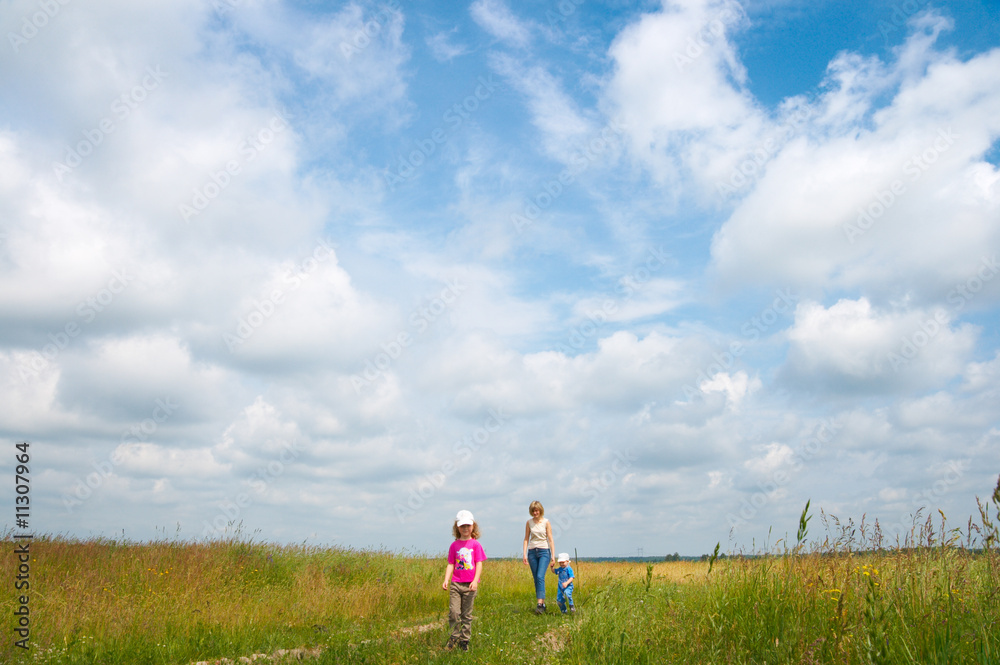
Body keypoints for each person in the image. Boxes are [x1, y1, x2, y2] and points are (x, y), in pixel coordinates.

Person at [442, 509, 486, 652]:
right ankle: (454, 636)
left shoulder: (475, 545)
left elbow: (479, 563)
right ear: (457, 528)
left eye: (468, 525)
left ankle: (464, 640)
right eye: (462, 526)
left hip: (470, 585)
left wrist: (475, 580)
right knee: (454, 612)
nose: (465, 529)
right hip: (456, 583)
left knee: (466, 614)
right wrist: (446, 579)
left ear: (473, 526)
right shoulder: (454, 545)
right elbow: (451, 563)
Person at [521, 500, 555, 614]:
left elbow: (550, 539)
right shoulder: (529, 522)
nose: (535, 513)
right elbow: (526, 538)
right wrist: (524, 554)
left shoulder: (546, 522)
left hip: (544, 551)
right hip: (532, 551)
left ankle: (539, 604)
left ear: (540, 510)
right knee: (536, 578)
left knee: (540, 576)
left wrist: (553, 556)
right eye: (533, 511)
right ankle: (542, 604)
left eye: (537, 510)